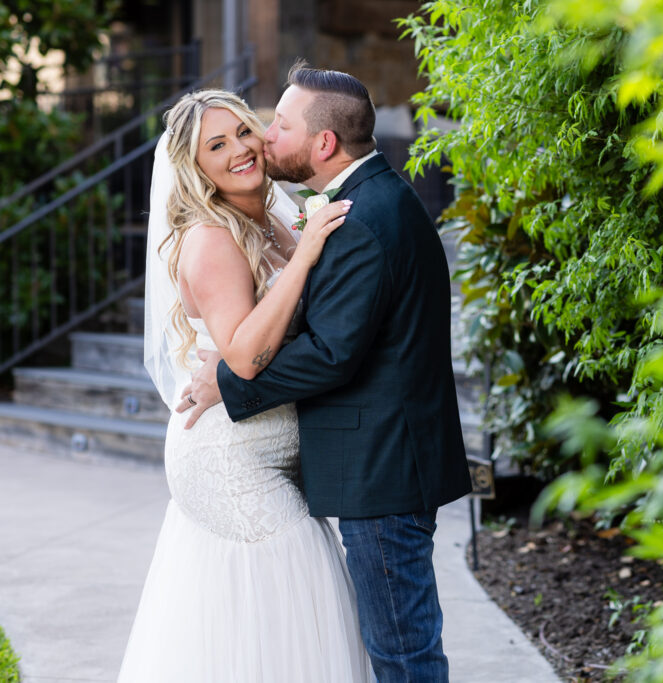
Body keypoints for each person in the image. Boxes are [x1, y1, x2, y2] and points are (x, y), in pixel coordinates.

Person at [180, 62, 473, 681]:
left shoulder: (360, 220)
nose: (263, 139)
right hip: (383, 463)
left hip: (384, 469)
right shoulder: (363, 202)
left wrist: (227, 383)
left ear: (324, 144)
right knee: (397, 642)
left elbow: (332, 354)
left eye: (277, 126)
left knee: (402, 649)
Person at [119, 89, 373, 682]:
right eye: (217, 144)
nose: (239, 149)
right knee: (300, 599)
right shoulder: (211, 238)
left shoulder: (276, 214)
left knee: (270, 627)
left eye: (244, 131)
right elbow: (249, 356)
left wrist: (303, 240)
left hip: (275, 447)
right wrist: (308, 253)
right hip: (230, 460)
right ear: (197, 168)